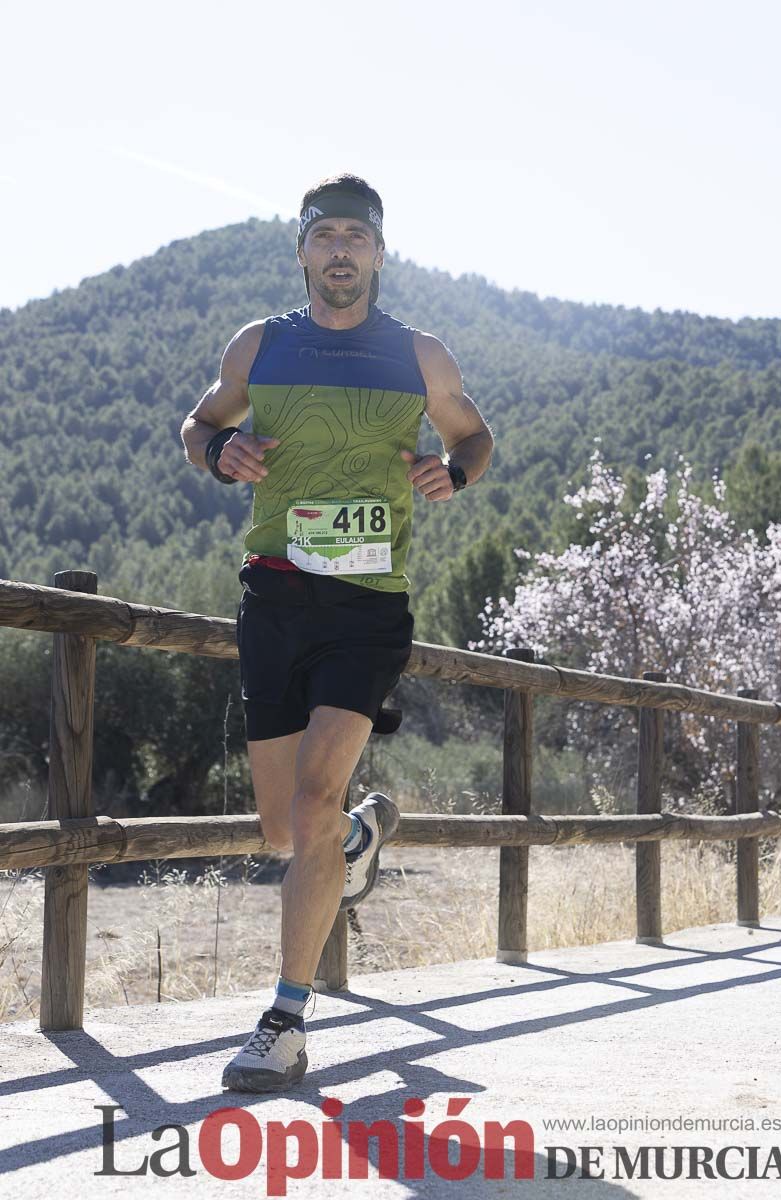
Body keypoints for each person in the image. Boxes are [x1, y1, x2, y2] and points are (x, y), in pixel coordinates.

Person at [179, 173, 494, 1092]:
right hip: (275, 596)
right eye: (327, 236)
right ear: (304, 251)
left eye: (359, 235)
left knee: (312, 802)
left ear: (381, 254)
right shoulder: (260, 344)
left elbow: (476, 437)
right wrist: (218, 452)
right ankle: (355, 844)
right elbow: (197, 422)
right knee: (285, 831)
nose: (343, 250)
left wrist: (454, 473)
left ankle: (285, 1018)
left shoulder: (420, 355)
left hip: (367, 604)